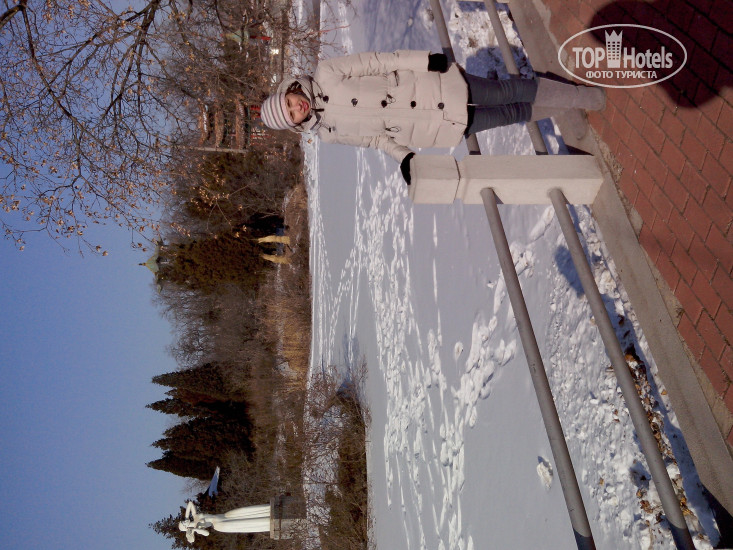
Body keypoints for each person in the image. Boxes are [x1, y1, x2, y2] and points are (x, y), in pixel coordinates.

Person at [259, 50, 605, 184]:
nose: (296, 108)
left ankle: (581, 96)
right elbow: (376, 139)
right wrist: (404, 158)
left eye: (289, 103)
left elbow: (381, 61)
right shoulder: (328, 132)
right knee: (511, 114)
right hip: (434, 128)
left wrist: (424, 61)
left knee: (507, 92)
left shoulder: (327, 72)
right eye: (290, 115)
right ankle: (568, 103)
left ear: (289, 90)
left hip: (434, 88)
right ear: (294, 124)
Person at [178, 500, 271, 542]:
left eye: (182, 521)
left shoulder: (195, 516)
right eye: (183, 523)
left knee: (243, 512)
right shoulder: (196, 526)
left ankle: (268, 510)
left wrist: (186, 517)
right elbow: (206, 533)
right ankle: (268, 522)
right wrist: (194, 530)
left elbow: (190, 504)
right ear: (185, 527)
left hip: (223, 516)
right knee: (244, 523)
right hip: (220, 524)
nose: (184, 521)